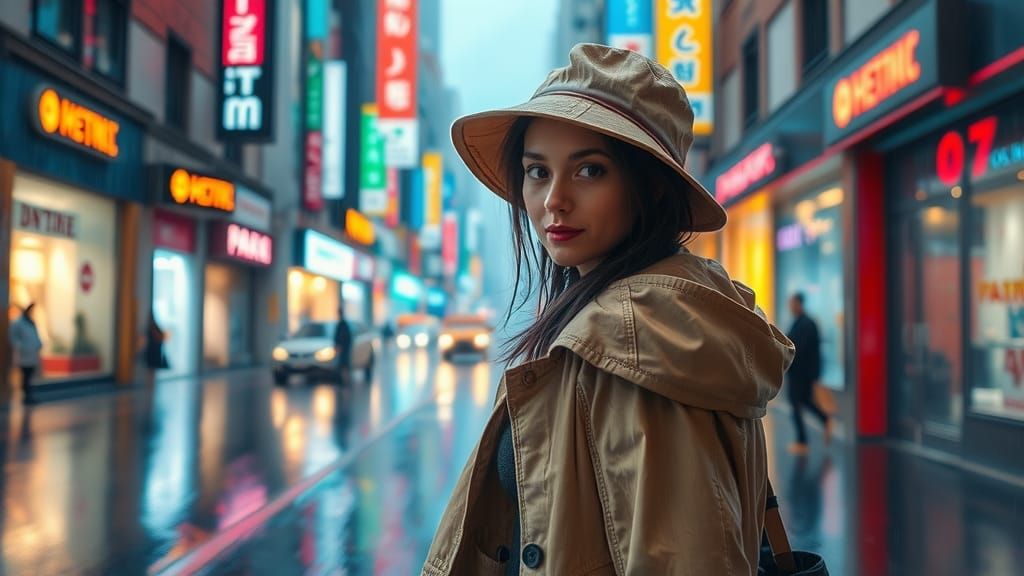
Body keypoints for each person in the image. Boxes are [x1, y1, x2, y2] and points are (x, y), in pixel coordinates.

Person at [423, 44, 795, 575]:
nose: (554, 199)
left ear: (648, 188)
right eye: (536, 171)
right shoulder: (639, 317)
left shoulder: (636, 341)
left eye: (590, 170)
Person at [785, 292, 831, 454]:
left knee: (796, 403)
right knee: (803, 401)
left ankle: (802, 441)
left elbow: (799, 348)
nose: (789, 306)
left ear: (799, 304)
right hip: (800, 373)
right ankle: (824, 419)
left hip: (801, 373)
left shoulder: (805, 324)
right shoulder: (800, 322)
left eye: (792, 303)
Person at [9, 304, 43, 405]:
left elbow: (36, 336)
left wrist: (39, 344)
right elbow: (13, 337)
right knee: (26, 376)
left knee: (30, 375)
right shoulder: (17, 323)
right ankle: (27, 396)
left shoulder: (31, 323)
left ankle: (29, 395)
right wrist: (21, 347)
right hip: (24, 354)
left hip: (32, 353)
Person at [143, 312, 169, 390]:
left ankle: (151, 385)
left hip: (154, 351)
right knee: (151, 369)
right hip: (152, 351)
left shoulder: (153, 327)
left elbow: (160, 337)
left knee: (152, 369)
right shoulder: (152, 327)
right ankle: (150, 385)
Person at [333, 306, 352, 385]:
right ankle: (343, 380)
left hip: (344, 349)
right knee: (342, 365)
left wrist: (341, 346)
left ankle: (345, 381)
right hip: (342, 348)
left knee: (344, 365)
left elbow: (345, 337)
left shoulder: (343, 324)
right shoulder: (341, 324)